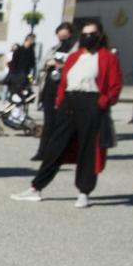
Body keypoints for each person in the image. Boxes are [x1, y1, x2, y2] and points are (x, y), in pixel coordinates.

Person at [13, 20, 121, 207]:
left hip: (91, 102)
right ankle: (36, 187)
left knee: (88, 150)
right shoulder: (75, 56)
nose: (88, 37)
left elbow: (115, 86)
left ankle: (84, 192)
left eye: (92, 34)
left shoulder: (106, 57)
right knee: (55, 146)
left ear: (100, 35)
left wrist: (102, 102)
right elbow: (63, 82)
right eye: (85, 34)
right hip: (70, 102)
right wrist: (59, 102)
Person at [32, 22, 75, 163]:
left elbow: (75, 65)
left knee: (62, 123)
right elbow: (40, 66)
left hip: (65, 89)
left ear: (70, 34)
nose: (62, 37)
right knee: (49, 122)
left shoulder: (74, 50)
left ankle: (60, 153)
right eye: (60, 34)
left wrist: (61, 65)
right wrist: (48, 63)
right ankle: (42, 151)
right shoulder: (53, 49)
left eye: (65, 34)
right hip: (50, 88)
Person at [4, 34, 37, 116]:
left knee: (26, 94)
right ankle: (14, 112)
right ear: (27, 40)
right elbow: (13, 64)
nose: (33, 42)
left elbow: (32, 65)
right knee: (16, 95)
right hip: (17, 76)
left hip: (26, 76)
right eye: (32, 40)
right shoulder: (19, 50)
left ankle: (22, 113)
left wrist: (31, 79)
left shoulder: (31, 51)